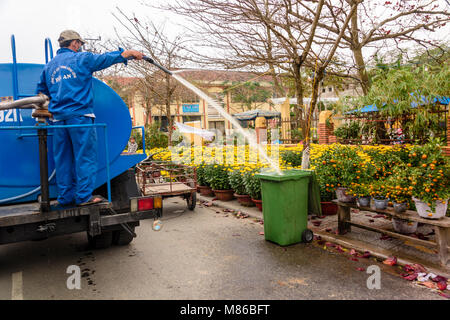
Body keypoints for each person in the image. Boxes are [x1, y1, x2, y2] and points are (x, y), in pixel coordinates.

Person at [36, 30, 143, 206]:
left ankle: (65, 197)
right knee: (84, 158)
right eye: (80, 44)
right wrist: (127, 54)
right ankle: (84, 196)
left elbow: (40, 93)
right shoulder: (81, 59)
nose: (80, 47)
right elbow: (105, 59)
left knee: (62, 160)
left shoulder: (49, 67)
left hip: (58, 121)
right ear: (74, 43)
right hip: (80, 117)